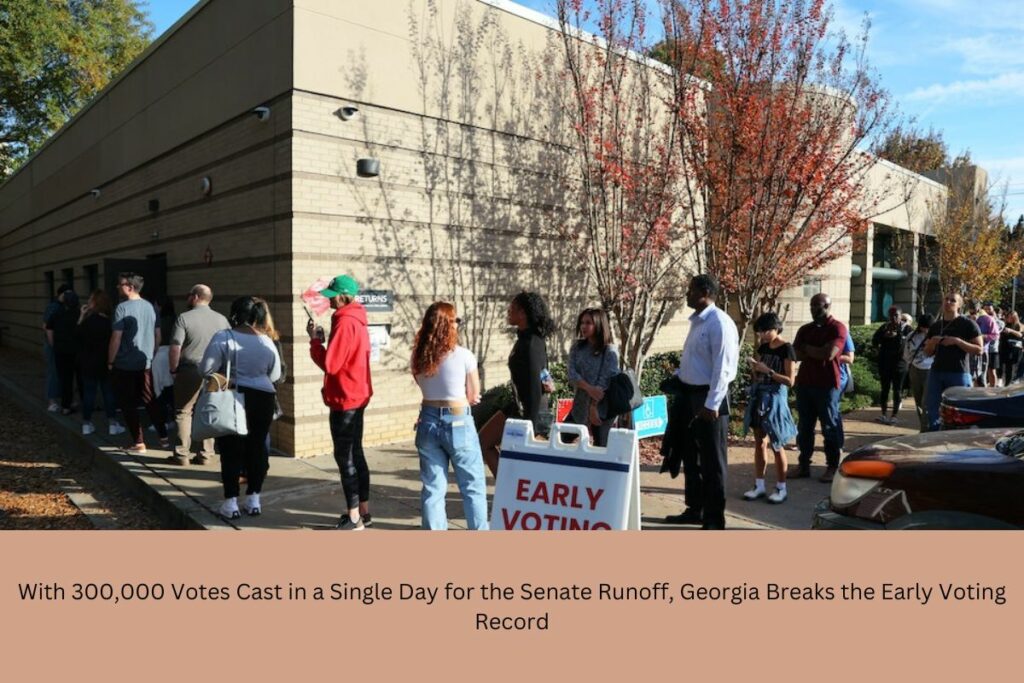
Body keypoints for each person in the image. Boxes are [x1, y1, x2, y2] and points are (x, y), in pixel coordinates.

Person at [661, 274, 739, 530]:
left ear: (704, 291)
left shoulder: (720, 323)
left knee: (712, 461)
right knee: (690, 456)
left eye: (690, 289)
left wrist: (712, 404)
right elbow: (699, 361)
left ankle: (714, 519)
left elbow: (723, 368)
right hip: (689, 396)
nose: (687, 293)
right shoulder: (697, 322)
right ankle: (696, 509)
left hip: (709, 400)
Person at [200, 297, 281, 520]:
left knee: (231, 450)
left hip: (234, 396)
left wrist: (230, 378)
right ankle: (254, 499)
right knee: (257, 449)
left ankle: (231, 502)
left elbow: (205, 369)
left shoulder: (223, 337)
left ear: (234, 314)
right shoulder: (266, 341)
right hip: (264, 398)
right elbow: (274, 374)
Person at [411, 302, 489, 530]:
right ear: (448, 325)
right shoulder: (464, 355)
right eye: (456, 321)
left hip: (427, 419)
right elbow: (473, 394)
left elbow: (422, 385)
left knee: (433, 489)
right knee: (472, 486)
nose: (458, 325)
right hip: (457, 419)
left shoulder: (418, 356)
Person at [308, 274, 373, 531]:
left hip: (345, 398)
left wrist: (315, 341)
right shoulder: (357, 319)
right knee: (356, 453)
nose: (329, 300)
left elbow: (331, 364)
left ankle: (354, 517)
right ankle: (364, 512)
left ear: (342, 295)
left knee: (345, 457)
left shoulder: (345, 322)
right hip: (358, 393)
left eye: (332, 296)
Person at [479, 292, 556, 475]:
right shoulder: (525, 339)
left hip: (529, 413)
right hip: (517, 406)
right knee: (483, 442)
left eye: (512, 308)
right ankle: (508, 487)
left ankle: (510, 489)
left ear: (523, 313)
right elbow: (543, 376)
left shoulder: (531, 344)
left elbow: (534, 387)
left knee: (487, 443)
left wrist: (530, 426)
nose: (508, 311)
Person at [167, 284, 229, 465]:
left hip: (190, 370)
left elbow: (175, 347)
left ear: (194, 297)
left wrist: (173, 369)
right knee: (209, 410)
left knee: (184, 412)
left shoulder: (184, 318)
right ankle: (206, 454)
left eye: (188, 295)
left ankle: (181, 454)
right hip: (216, 373)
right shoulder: (222, 320)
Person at [107, 272, 167, 453]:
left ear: (130, 287)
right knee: (150, 400)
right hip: (145, 363)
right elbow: (158, 335)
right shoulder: (151, 307)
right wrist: (152, 354)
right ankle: (164, 438)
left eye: (120, 284)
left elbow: (116, 338)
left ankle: (139, 442)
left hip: (124, 364)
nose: (118, 287)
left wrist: (110, 361)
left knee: (128, 403)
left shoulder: (122, 308)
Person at [791, 293, 848, 483]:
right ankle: (803, 465)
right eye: (812, 305)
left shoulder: (837, 328)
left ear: (828, 306)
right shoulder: (805, 329)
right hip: (805, 384)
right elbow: (795, 354)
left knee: (829, 427)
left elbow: (830, 354)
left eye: (819, 305)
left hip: (827, 386)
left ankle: (832, 466)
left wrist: (808, 349)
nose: (814, 309)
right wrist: (815, 350)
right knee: (805, 427)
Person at [741, 312, 796, 504]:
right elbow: (758, 373)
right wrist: (755, 368)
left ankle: (781, 487)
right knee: (759, 442)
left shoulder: (787, 349)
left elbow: (790, 381)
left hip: (775, 398)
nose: (762, 335)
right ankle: (759, 485)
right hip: (760, 396)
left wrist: (768, 371)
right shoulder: (763, 347)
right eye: (760, 332)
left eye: (765, 331)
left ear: (775, 328)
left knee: (777, 444)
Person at [924, 292, 983, 431]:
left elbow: (979, 350)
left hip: (959, 372)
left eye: (953, 300)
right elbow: (926, 352)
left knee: (961, 408)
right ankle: (935, 435)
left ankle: (958, 436)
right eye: (946, 299)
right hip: (937, 371)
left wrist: (957, 341)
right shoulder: (936, 326)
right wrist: (932, 343)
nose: (948, 302)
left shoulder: (968, 324)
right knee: (932, 407)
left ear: (959, 305)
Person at [566, 308, 620, 447]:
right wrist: (588, 388)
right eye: (582, 322)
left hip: (603, 407)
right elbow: (571, 374)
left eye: (589, 323)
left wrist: (593, 406)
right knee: (563, 437)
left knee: (601, 446)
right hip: (580, 404)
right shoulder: (577, 347)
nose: (584, 326)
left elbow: (605, 381)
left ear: (599, 324)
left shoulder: (609, 350)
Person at [75, 290, 122, 436]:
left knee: (89, 393)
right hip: (105, 362)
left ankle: (87, 424)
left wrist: (82, 316)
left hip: (88, 362)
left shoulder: (87, 322)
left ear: (95, 303)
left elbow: (76, 336)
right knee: (108, 392)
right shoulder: (110, 324)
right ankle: (112, 423)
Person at [252, 297, 287, 451]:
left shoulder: (270, 340)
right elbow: (282, 374)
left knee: (256, 435)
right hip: (266, 393)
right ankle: (259, 470)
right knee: (261, 433)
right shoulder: (273, 339)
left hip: (259, 393)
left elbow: (281, 374)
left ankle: (254, 471)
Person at [872, 306, 912, 425]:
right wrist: (884, 336)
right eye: (891, 315)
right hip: (885, 363)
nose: (894, 318)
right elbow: (874, 341)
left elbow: (912, 344)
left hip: (900, 364)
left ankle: (894, 415)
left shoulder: (907, 329)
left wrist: (898, 335)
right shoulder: (884, 327)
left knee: (897, 390)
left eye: (896, 315)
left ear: (901, 316)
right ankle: (883, 414)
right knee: (884, 389)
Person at [45, 289, 80, 415]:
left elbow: (48, 329)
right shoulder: (79, 314)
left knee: (65, 379)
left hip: (61, 350)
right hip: (77, 350)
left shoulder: (57, 313)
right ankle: (80, 403)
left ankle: (66, 406)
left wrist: (53, 344)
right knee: (80, 378)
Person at [43, 284, 71, 412]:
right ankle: (52, 400)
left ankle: (60, 398)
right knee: (53, 371)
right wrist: (53, 344)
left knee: (61, 373)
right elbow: (46, 326)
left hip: (61, 345)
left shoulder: (64, 306)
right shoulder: (54, 307)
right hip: (54, 345)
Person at [904, 314, 934, 432]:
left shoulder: (935, 337)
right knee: (918, 399)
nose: (926, 330)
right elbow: (906, 353)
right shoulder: (911, 336)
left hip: (930, 369)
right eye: (924, 327)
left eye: (928, 327)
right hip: (914, 369)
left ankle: (926, 428)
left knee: (926, 400)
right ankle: (923, 424)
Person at [836, 332, 855, 451]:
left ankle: (838, 443)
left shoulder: (842, 332)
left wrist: (827, 355)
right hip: (816, 378)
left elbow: (850, 358)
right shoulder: (813, 331)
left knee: (833, 411)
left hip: (838, 379)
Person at [983, 302, 1003, 387]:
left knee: (991, 370)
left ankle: (993, 388)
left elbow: (996, 330)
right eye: (985, 309)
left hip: (992, 349)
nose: (987, 311)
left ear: (993, 310)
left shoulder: (999, 322)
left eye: (989, 309)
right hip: (983, 348)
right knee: (983, 370)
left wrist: (992, 318)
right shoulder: (980, 320)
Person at [999, 311, 1023, 385]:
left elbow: (1020, 335)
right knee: (1001, 366)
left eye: (1011, 317)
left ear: (1015, 318)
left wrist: (1011, 331)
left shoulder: (1019, 325)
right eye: (1008, 316)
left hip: (1013, 350)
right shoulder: (1005, 324)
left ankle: (1008, 384)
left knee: (1010, 368)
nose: (1009, 318)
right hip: (1004, 347)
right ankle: (1001, 381)